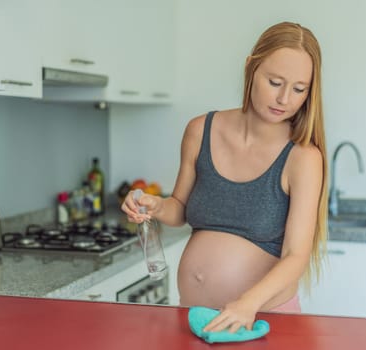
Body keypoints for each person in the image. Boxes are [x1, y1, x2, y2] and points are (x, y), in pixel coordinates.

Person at [121, 21, 328, 333]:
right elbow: (180, 208)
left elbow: (295, 255)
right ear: (251, 68)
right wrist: (154, 205)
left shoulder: (302, 157)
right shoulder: (199, 130)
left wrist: (248, 302)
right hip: (194, 318)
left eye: (299, 89)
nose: (285, 99)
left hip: (262, 319)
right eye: (275, 82)